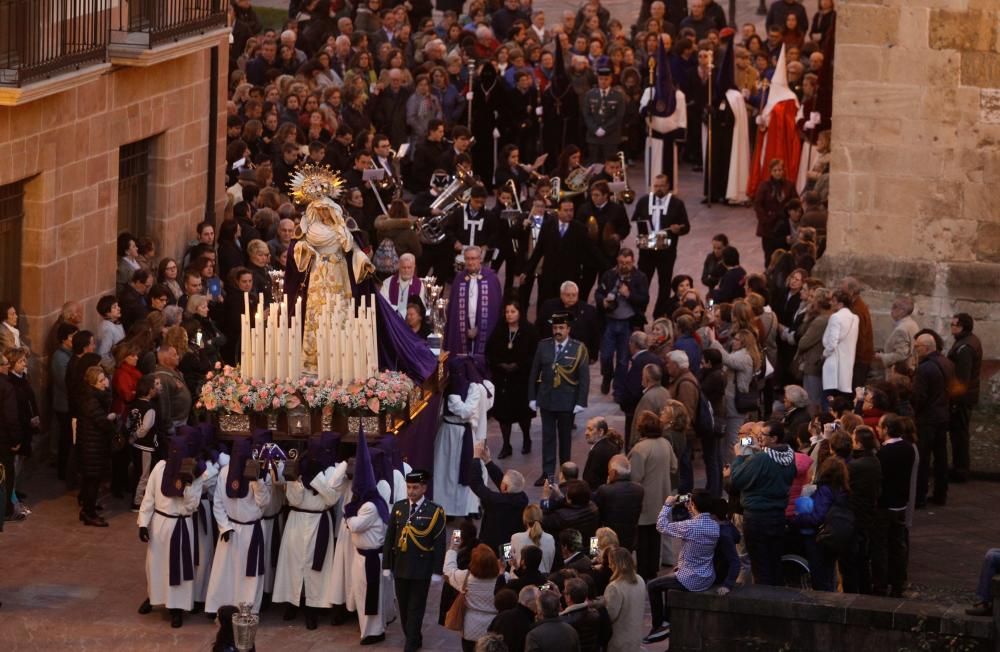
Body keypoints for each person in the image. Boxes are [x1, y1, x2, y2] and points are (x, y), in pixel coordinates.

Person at [272, 437, 349, 629]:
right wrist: (298, 480)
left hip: (319, 520)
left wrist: (316, 479)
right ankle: (291, 603)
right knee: (294, 565)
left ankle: (312, 609)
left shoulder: (333, 471)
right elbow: (294, 499)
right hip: (297, 521)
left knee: (316, 570)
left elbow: (331, 498)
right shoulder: (298, 466)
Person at [136, 431, 207, 628]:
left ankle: (177, 608)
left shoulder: (196, 473)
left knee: (179, 567)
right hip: (160, 524)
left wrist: (188, 484)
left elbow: (192, 505)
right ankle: (153, 597)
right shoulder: (160, 468)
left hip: (181, 525)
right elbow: (149, 496)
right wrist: (143, 522)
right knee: (155, 565)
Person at [205, 438, 273, 615]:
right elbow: (218, 501)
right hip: (230, 529)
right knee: (224, 571)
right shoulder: (225, 472)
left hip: (251, 531)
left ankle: (247, 608)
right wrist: (224, 527)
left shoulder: (257, 473)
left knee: (248, 575)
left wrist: (257, 481)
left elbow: (264, 503)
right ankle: (219, 606)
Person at [726, 420, 797, 585]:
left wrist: (740, 458)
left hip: (757, 518)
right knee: (774, 563)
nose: (758, 438)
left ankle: (764, 602)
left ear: (774, 438)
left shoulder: (762, 459)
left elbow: (736, 479)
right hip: (778, 516)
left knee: (760, 566)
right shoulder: (788, 456)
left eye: (762, 435)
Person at [384, 469, 447, 652]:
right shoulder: (399, 508)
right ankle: (414, 636)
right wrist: (387, 565)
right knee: (403, 607)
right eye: (409, 487)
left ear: (424, 488)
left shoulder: (435, 511)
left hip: (422, 568)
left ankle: (411, 643)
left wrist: (437, 571)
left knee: (416, 608)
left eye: (415, 487)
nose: (411, 491)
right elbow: (390, 537)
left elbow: (440, 543)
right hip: (401, 565)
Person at [645, 491, 721, 643]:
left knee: (653, 585)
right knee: (668, 582)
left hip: (690, 578)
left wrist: (667, 505)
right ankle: (667, 621)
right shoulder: (714, 525)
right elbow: (699, 528)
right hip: (707, 576)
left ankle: (658, 626)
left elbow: (661, 526)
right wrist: (693, 510)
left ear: (692, 504)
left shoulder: (690, 526)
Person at [528, 312, 590, 486]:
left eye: (561, 328)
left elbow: (584, 377)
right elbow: (534, 372)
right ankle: (547, 474)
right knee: (547, 438)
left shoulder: (577, 348)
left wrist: (580, 401)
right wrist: (532, 397)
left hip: (567, 401)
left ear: (568, 329)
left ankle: (565, 473)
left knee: (565, 439)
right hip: (547, 399)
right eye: (555, 328)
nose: (558, 331)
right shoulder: (543, 346)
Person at [344, 433, 392, 645]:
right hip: (362, 556)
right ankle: (369, 628)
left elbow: (354, 525)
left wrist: (348, 514)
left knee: (370, 595)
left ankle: (373, 632)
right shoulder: (370, 502)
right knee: (364, 595)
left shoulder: (370, 506)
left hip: (370, 558)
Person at [434, 356, 495, 517]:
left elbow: (467, 412)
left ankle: (466, 508)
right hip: (447, 433)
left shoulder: (474, 388)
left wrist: (454, 400)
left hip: (464, 435)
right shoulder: (447, 386)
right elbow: (440, 411)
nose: (456, 376)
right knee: (445, 473)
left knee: (466, 472)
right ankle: (446, 508)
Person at [629, 410, 678, 581]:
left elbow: (635, 476)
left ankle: (644, 571)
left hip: (646, 499)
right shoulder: (665, 443)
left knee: (643, 538)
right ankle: (653, 569)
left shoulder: (640, 449)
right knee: (656, 536)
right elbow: (674, 466)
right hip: (663, 496)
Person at [487, 301, 540, 458]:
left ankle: (526, 439)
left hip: (522, 378)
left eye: (513, 311)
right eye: (507, 311)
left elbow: (534, 354)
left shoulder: (529, 331)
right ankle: (506, 445)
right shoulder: (499, 330)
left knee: (523, 413)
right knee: (504, 414)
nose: (509, 314)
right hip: (503, 379)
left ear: (519, 313)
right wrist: (501, 364)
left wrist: (518, 365)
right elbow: (490, 350)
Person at [871, 414, 917, 597]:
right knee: (898, 546)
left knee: (880, 546)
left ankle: (880, 584)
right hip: (900, 505)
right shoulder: (908, 449)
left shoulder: (883, 454)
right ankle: (898, 583)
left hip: (884, 506)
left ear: (887, 429)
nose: (878, 430)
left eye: (880, 427)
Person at [633, 174, 691, 317]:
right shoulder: (644, 201)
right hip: (647, 249)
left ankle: (659, 314)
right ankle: (639, 315)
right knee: (642, 283)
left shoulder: (677, 203)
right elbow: (636, 219)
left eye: (662, 186)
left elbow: (686, 226)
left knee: (664, 284)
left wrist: (679, 229)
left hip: (667, 250)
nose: (658, 189)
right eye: (656, 186)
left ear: (668, 186)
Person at [793, 456, 852, 592]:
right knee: (829, 572)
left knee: (820, 578)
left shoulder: (825, 490)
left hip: (818, 539)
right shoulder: (842, 490)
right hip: (834, 536)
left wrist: (796, 520)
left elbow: (817, 517)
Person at [596, 248, 649, 397]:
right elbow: (599, 292)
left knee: (623, 360)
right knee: (605, 356)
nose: (624, 265)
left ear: (633, 262)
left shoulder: (640, 277)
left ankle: (618, 390)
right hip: (610, 321)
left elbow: (644, 299)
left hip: (628, 323)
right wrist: (603, 302)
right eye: (621, 263)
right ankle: (607, 376)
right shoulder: (609, 275)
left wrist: (629, 294)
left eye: (627, 263)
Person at [521, 200, 593, 307]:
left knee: (566, 308)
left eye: (571, 210)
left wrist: (607, 266)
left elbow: (590, 251)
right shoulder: (547, 226)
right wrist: (526, 271)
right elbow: (539, 251)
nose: (569, 213)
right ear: (558, 211)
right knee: (547, 305)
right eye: (566, 210)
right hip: (550, 276)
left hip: (569, 277)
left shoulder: (580, 228)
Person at [912, 333, 953, 508]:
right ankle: (940, 494)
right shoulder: (947, 363)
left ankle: (919, 496)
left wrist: (913, 412)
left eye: (918, 346)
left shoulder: (925, 368)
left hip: (927, 418)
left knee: (923, 458)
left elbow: (919, 396)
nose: (915, 349)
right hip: (943, 415)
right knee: (941, 457)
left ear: (927, 348)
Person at [444, 246, 503, 360]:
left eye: (474, 258)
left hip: (484, 330)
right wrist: (465, 328)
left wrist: (479, 328)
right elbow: (453, 311)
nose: (471, 262)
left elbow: (495, 311)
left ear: (480, 259)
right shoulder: (459, 279)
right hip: (463, 329)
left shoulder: (491, 279)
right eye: (468, 259)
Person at [469, 443, 529, 553]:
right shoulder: (522, 498)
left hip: (491, 546)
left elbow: (476, 484)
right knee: (506, 565)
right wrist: (488, 461)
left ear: (505, 487)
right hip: (509, 546)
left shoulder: (496, 501)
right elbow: (503, 482)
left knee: (488, 566)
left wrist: (476, 458)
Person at [443, 542, 503, 651]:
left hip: (470, 629)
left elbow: (448, 571)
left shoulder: (465, 578)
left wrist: (452, 549)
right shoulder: (503, 579)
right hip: (493, 628)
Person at [947, 313, 982, 483]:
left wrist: (954, 401)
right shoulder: (967, 342)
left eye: (954, 325)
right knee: (959, 435)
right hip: (964, 397)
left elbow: (962, 379)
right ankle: (959, 469)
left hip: (961, 399)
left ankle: (960, 471)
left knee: (959, 436)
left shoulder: (965, 348)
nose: (952, 328)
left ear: (963, 327)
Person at [594, 455, 644, 551]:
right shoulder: (639, 489)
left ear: (613, 472)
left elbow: (597, 519)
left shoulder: (604, 490)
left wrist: (594, 551)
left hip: (608, 540)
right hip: (630, 539)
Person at [602, 546, 646, 652]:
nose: (609, 566)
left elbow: (610, 616)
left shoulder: (614, 587)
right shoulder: (640, 579)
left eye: (610, 563)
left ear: (616, 564)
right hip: (635, 637)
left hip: (619, 641)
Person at [582, 65, 626, 164]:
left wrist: (605, 129)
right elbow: (586, 114)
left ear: (611, 79)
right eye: (601, 79)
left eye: (606, 79)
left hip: (611, 137)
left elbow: (619, 116)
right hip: (594, 137)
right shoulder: (590, 95)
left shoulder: (618, 96)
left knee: (610, 164)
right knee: (594, 165)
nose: (603, 81)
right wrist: (595, 129)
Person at [50, 322, 77, 482]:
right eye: (73, 336)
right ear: (65, 339)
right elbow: (64, 381)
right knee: (65, 439)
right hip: (64, 405)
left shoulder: (69, 354)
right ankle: (62, 471)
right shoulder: (59, 357)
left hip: (69, 403)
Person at [822, 289, 860, 402]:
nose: (831, 303)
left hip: (834, 363)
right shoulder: (855, 318)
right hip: (847, 365)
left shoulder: (836, 317)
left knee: (829, 400)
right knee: (841, 400)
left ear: (840, 304)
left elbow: (832, 343)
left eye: (833, 301)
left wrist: (824, 354)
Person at [630, 364, 671, 450]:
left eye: (643, 375)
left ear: (647, 378)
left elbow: (641, 423)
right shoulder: (665, 392)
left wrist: (634, 444)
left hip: (647, 445)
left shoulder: (648, 398)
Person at [488, 585, 539, 652]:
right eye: (538, 600)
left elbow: (489, 637)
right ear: (529, 602)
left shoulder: (502, 616)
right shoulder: (529, 622)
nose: (540, 603)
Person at [509, 505, 557, 575]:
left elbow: (510, 562)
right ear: (541, 518)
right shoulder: (550, 538)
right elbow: (550, 563)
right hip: (543, 582)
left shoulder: (515, 537)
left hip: (518, 581)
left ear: (525, 519)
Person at [380, 253, 427, 319]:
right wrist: (396, 312)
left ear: (414, 267)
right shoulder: (388, 282)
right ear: (399, 266)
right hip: (392, 319)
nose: (406, 270)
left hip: (410, 322)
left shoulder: (419, 285)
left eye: (409, 267)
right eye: (404, 267)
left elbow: (420, 307)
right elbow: (383, 301)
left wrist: (405, 314)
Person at [582, 417, 623, 491]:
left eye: (590, 429)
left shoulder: (597, 451)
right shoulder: (613, 447)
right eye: (586, 429)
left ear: (601, 432)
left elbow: (590, 479)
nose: (586, 433)